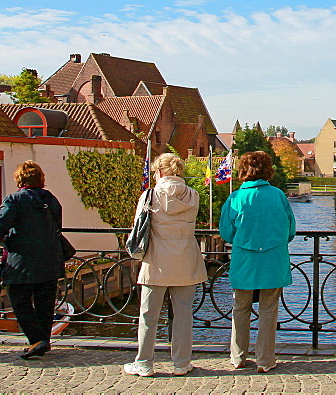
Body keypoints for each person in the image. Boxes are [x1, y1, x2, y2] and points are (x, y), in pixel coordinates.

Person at [123, 152, 208, 378]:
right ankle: (181, 363)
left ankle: (144, 362)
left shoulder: (150, 196)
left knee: (148, 315)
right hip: (186, 259)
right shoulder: (193, 195)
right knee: (183, 314)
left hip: (156, 260)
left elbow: (139, 227)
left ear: (159, 172)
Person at [218, 151, 296, 373]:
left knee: (240, 308)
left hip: (245, 260)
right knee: (268, 310)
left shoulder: (235, 198)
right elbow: (290, 231)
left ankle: (238, 357)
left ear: (243, 171)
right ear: (267, 170)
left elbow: (226, 232)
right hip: (273, 260)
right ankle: (265, 360)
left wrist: (245, 241)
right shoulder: (279, 195)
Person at [0, 160, 64, 360]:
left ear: (19, 179)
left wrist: (6, 241)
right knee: (45, 303)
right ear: (41, 178)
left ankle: (36, 339)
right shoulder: (51, 199)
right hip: (50, 258)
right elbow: (58, 225)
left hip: (21, 261)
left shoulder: (14, 200)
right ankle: (43, 340)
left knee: (20, 301)